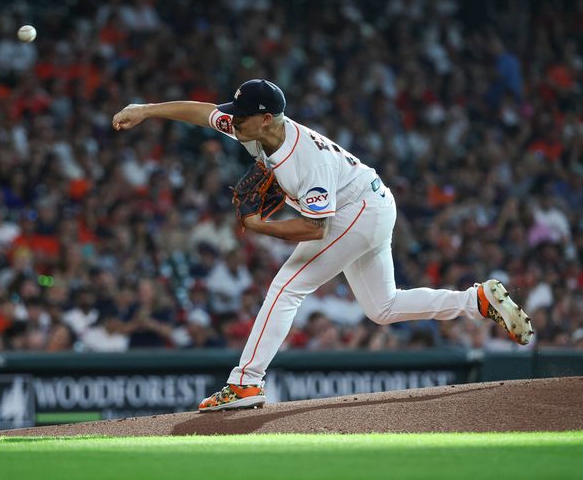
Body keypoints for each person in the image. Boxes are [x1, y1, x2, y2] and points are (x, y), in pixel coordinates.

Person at [112, 79, 534, 412]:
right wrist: (146, 110)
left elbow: (317, 229)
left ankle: (245, 381)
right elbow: (204, 112)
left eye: (241, 115)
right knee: (382, 307)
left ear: (267, 119)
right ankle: (474, 301)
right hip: (370, 201)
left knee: (286, 286)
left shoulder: (303, 162)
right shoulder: (252, 127)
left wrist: (262, 226)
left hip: (358, 210)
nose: (232, 120)